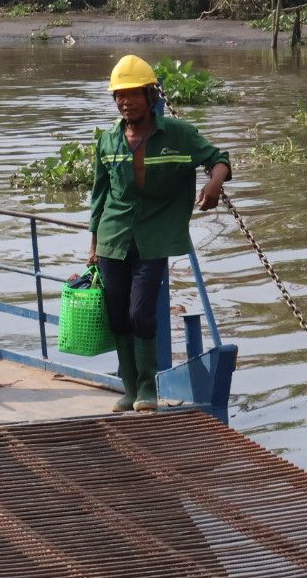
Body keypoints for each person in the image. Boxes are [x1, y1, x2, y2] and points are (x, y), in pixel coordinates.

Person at [87, 55, 230, 413]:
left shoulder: (177, 134)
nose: (125, 102)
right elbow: (99, 196)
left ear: (151, 96)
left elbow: (219, 158)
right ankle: (129, 388)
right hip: (112, 238)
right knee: (117, 312)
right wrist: (93, 245)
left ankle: (147, 387)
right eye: (119, 96)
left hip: (155, 237)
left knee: (141, 312)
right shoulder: (108, 141)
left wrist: (214, 184)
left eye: (133, 94)